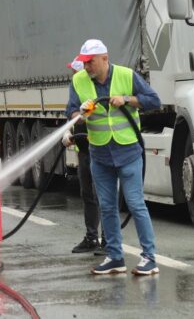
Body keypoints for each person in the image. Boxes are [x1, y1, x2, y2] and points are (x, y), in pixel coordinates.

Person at [66, 39, 161, 276]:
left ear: (104, 59)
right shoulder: (78, 80)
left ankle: (149, 257)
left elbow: (153, 101)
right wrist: (81, 115)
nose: (86, 67)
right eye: (84, 63)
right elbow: (71, 110)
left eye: (91, 62)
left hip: (127, 150)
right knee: (107, 207)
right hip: (99, 153)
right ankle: (115, 257)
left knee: (135, 204)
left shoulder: (127, 76)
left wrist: (127, 100)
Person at [63, 59, 105, 255]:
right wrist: (68, 133)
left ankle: (108, 240)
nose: (73, 75)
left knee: (103, 196)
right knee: (87, 193)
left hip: (101, 148)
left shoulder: (97, 88)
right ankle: (91, 237)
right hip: (84, 149)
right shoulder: (78, 86)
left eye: (74, 70)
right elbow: (73, 113)